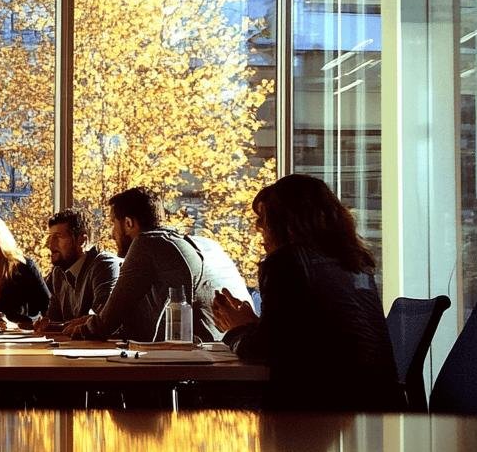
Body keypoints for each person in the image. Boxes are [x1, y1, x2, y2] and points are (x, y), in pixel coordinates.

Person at [212, 174, 403, 412]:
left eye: (263, 219)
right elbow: (306, 338)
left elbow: (264, 351)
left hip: (321, 411)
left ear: (283, 223)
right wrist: (254, 325)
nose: (258, 228)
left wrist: (237, 329)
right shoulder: (356, 263)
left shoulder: (286, 262)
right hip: (380, 404)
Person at [66, 187, 248, 342]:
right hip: (230, 356)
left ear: (128, 223)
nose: (112, 234)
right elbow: (134, 321)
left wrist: (78, 331)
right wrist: (93, 320)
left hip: (194, 368)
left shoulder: (147, 242)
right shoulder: (203, 244)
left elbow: (106, 324)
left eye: (113, 224)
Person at [34, 208, 121, 332]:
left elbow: (103, 321)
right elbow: (52, 320)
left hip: (102, 350)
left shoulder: (104, 266)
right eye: (50, 237)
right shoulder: (58, 273)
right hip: (74, 348)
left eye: (58, 237)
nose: (50, 244)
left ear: (82, 240)